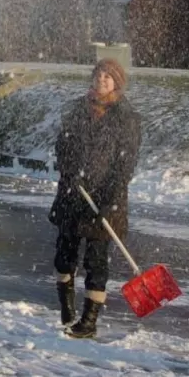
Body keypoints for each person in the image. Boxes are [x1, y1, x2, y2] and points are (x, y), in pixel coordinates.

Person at [48, 58, 142, 338]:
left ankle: (89, 321)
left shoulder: (126, 118)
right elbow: (62, 144)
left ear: (117, 83)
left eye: (108, 77)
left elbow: (125, 164)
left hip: (105, 197)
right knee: (64, 255)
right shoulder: (78, 109)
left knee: (96, 260)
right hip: (74, 193)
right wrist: (69, 169)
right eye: (99, 75)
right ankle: (67, 309)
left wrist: (110, 200)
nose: (102, 80)